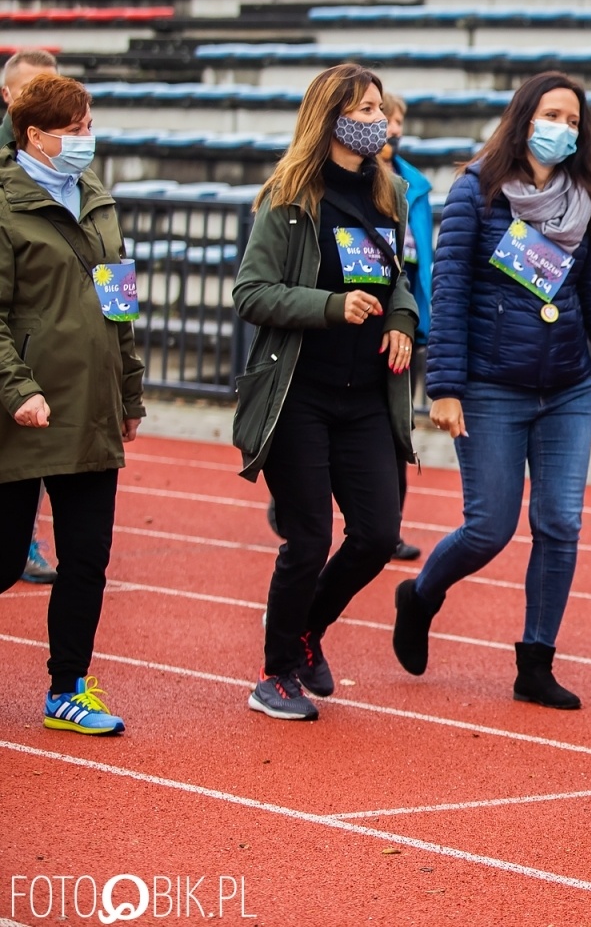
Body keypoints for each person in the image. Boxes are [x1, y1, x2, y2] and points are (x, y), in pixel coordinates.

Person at [391, 71, 591, 709]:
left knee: (560, 523)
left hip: (565, 390)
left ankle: (536, 661)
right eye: (550, 113)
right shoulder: (476, 191)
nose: (561, 126)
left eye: (572, 118)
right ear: (524, 117)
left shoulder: (582, 196)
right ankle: (419, 596)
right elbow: (448, 293)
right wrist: (444, 387)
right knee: (489, 527)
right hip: (489, 387)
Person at [233, 63, 419, 722]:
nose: (377, 121)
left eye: (378, 111)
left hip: (367, 396)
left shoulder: (387, 194)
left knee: (375, 535)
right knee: (309, 539)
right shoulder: (289, 198)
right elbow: (251, 295)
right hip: (300, 395)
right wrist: (330, 307)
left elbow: (399, 278)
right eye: (364, 110)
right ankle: (276, 671)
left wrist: (400, 319)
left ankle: (306, 630)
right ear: (331, 117)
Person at [0, 73, 145, 734]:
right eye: (78, 128)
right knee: (6, 559)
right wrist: (18, 390)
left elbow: (120, 303)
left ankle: (67, 688)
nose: (89, 138)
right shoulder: (5, 207)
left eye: (88, 125)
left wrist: (130, 389)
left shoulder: (97, 200)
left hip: (89, 409)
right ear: (37, 136)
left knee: (86, 557)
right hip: (22, 415)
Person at [1, 48, 64, 585]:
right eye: (30, 89)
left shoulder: (82, 180)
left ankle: (27, 540)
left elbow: (115, 279)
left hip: (55, 359)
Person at [378, 92, 436, 562]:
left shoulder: (415, 184)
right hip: (357, 317)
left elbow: (425, 259)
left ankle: (390, 528)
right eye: (385, 117)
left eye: (398, 120)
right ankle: (290, 494)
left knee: (399, 426)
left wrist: (426, 316)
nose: (393, 128)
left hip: (409, 315)